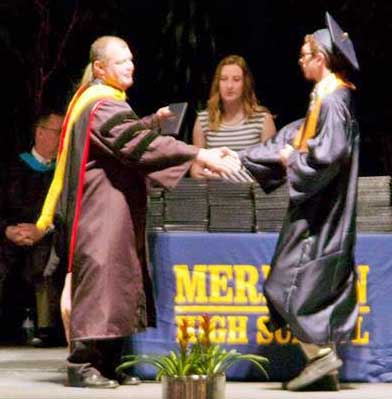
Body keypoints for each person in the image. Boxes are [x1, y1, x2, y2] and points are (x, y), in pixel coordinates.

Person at [31, 35, 240, 389]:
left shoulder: (102, 102)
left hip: (114, 204)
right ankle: (82, 365)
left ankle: (109, 363)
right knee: (100, 281)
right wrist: (197, 154)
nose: (130, 66)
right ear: (99, 67)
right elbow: (134, 144)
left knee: (118, 280)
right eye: (120, 61)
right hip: (101, 208)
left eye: (131, 59)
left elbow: (124, 137)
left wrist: (149, 123)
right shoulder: (101, 104)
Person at [239, 12, 360, 391]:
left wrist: (293, 160)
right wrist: (245, 157)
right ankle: (324, 368)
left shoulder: (335, 100)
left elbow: (327, 155)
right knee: (306, 288)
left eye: (305, 54)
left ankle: (321, 358)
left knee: (285, 285)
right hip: (314, 210)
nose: (300, 60)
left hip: (320, 215)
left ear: (321, 57)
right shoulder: (323, 97)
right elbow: (292, 138)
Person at [0, 112, 65, 347]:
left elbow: (64, 211)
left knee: (49, 253)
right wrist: (7, 230)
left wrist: (41, 231)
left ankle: (48, 328)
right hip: (8, 237)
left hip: (46, 236)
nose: (62, 139)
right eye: (58, 132)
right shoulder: (11, 167)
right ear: (40, 132)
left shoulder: (63, 173)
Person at [191, 54, 276, 179]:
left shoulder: (262, 119)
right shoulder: (203, 120)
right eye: (224, 79)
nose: (229, 86)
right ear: (217, 84)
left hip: (250, 194)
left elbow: (272, 168)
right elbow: (196, 169)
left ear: (245, 84)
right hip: (215, 192)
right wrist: (205, 174)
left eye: (236, 79)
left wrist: (234, 174)